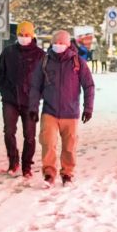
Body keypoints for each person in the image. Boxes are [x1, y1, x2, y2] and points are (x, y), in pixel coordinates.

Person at [30, 29, 95, 186]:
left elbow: (89, 86)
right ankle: (49, 174)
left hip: (70, 112)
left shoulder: (77, 62)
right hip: (49, 111)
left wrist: (88, 108)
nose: (58, 45)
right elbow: (35, 86)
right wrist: (33, 107)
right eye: (55, 43)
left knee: (69, 147)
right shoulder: (45, 61)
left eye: (61, 43)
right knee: (48, 143)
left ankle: (67, 174)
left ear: (68, 44)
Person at [0, 21, 45, 179]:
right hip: (10, 100)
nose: (24, 38)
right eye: (21, 35)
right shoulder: (9, 52)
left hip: (30, 102)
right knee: (9, 132)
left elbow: (46, 78)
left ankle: (27, 165)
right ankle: (13, 160)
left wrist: (38, 95)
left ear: (32, 35)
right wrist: (3, 90)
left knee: (29, 135)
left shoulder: (40, 55)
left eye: (27, 35)